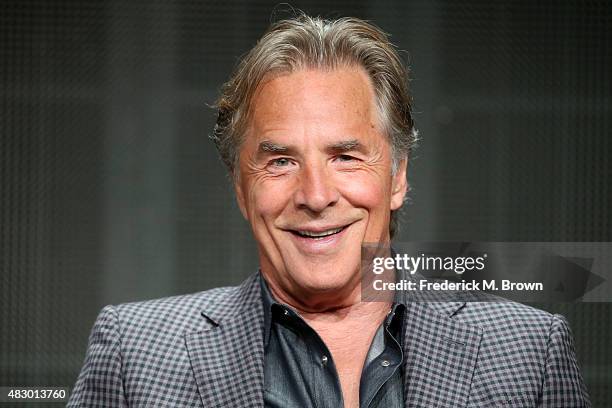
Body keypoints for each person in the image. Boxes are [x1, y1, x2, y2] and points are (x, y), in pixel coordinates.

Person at [68, 14, 590, 407]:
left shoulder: (528, 353)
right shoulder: (135, 354)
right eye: (280, 161)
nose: (316, 196)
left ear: (398, 176)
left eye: (345, 157)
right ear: (239, 186)